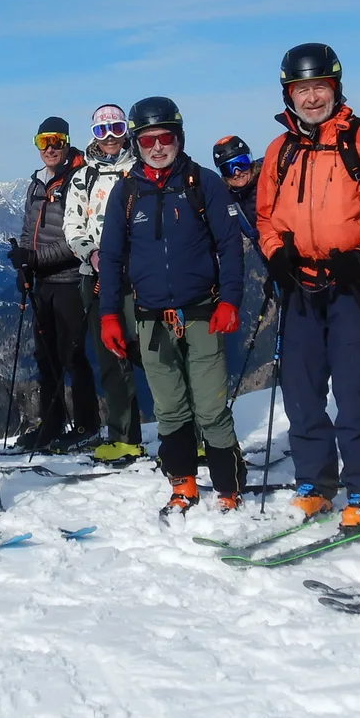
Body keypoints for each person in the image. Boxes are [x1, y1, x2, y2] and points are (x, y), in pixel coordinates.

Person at [256, 43, 360, 528]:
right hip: (301, 285)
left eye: (319, 87)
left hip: (354, 287)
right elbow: (266, 216)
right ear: (288, 94)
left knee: (357, 391)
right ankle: (316, 484)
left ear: (335, 88)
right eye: (301, 89)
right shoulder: (280, 149)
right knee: (301, 390)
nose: (312, 97)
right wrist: (276, 253)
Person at [96, 97, 246, 515]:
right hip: (150, 320)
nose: (157, 147)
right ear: (137, 143)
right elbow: (109, 257)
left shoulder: (203, 184)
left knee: (212, 407)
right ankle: (183, 484)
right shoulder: (127, 191)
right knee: (169, 408)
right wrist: (110, 313)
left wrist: (230, 299)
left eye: (165, 138)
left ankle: (228, 487)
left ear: (178, 138)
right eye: (148, 139)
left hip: (202, 312)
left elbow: (230, 245)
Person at [8, 116, 100, 453]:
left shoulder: (78, 179)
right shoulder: (36, 183)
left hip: (71, 278)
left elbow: (78, 237)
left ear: (66, 142)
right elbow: (27, 226)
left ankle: (88, 424)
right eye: (43, 141)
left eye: (56, 141)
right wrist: (24, 264)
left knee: (72, 355)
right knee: (45, 358)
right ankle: (51, 424)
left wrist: (34, 261)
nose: (50, 148)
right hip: (42, 282)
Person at [64, 104, 146, 463]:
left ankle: (188, 429)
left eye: (116, 129)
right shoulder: (84, 177)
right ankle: (124, 435)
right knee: (112, 356)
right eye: (101, 131)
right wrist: (92, 256)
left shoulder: (142, 169)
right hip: (97, 277)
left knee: (156, 351)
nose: (110, 138)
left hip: (142, 276)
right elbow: (73, 227)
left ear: (126, 130)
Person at [212, 136, 259, 241]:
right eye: (228, 169)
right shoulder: (226, 200)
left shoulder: (269, 180)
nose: (237, 172)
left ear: (250, 162)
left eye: (241, 163)